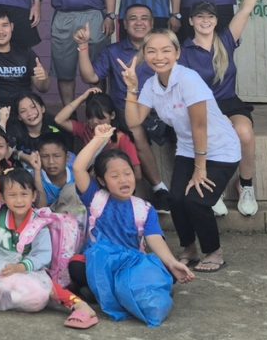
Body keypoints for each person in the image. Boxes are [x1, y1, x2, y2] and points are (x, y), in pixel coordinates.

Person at [121, 30, 241, 273]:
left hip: (220, 149)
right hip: (188, 148)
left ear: (177, 53)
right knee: (175, 198)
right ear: (144, 55)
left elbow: (200, 125)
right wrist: (132, 89)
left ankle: (214, 252)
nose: (159, 57)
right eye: (152, 51)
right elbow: (134, 121)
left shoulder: (188, 79)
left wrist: (200, 168)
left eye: (166, 50)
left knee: (196, 200)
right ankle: (189, 248)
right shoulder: (151, 85)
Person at [0, 169, 99, 329]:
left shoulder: (38, 224)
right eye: (12, 195)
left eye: (24, 194)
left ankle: (81, 306)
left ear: (33, 196)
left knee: (48, 289)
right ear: (2, 198)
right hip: (3, 267)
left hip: (29, 271)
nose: (19, 200)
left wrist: (21, 267)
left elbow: (43, 255)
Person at [67, 124, 195, 311]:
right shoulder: (95, 197)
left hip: (131, 264)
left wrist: (171, 262)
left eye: (127, 174)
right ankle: (119, 292)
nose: (123, 180)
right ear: (102, 180)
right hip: (101, 264)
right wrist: (99, 139)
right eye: (115, 176)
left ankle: (99, 292)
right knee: (76, 266)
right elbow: (78, 168)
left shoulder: (144, 209)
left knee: (167, 270)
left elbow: (154, 238)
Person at [179, 0, 265, 217]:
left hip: (228, 101)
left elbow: (246, 10)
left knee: (244, 132)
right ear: (191, 20)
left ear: (216, 20)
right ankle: (212, 188)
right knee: (209, 135)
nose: (205, 21)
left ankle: (245, 185)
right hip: (201, 107)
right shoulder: (183, 51)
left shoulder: (226, 40)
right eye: (200, 17)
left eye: (210, 17)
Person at [76, 4, 169, 201]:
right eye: (133, 18)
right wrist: (83, 47)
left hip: (163, 109)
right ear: (124, 24)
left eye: (144, 18)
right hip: (127, 111)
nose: (139, 22)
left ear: (152, 23)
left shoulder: (162, 49)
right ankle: (159, 188)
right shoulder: (113, 51)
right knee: (136, 131)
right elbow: (90, 77)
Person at [54, 89, 142, 182]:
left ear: (112, 115)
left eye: (100, 117)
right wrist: (82, 98)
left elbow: (137, 174)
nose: (95, 121)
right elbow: (59, 120)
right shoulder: (86, 129)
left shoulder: (122, 138)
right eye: (90, 117)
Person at [5, 92, 72, 155]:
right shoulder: (15, 135)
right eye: (23, 111)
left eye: (33, 107)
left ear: (43, 109)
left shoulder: (55, 132)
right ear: (19, 117)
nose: (30, 113)